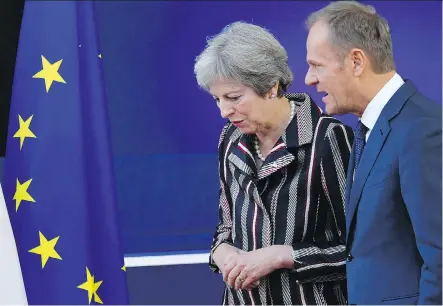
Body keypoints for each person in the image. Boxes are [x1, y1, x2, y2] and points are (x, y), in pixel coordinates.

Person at [193, 21, 354, 305]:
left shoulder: (327, 137)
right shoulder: (230, 137)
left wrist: (283, 255)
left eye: (233, 97)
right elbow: (226, 225)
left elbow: (358, 248)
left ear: (270, 86)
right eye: (217, 99)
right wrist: (222, 252)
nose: (223, 111)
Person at [305, 2, 442, 305]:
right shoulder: (367, 129)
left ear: (356, 61)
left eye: (317, 65)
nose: (309, 79)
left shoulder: (421, 130)